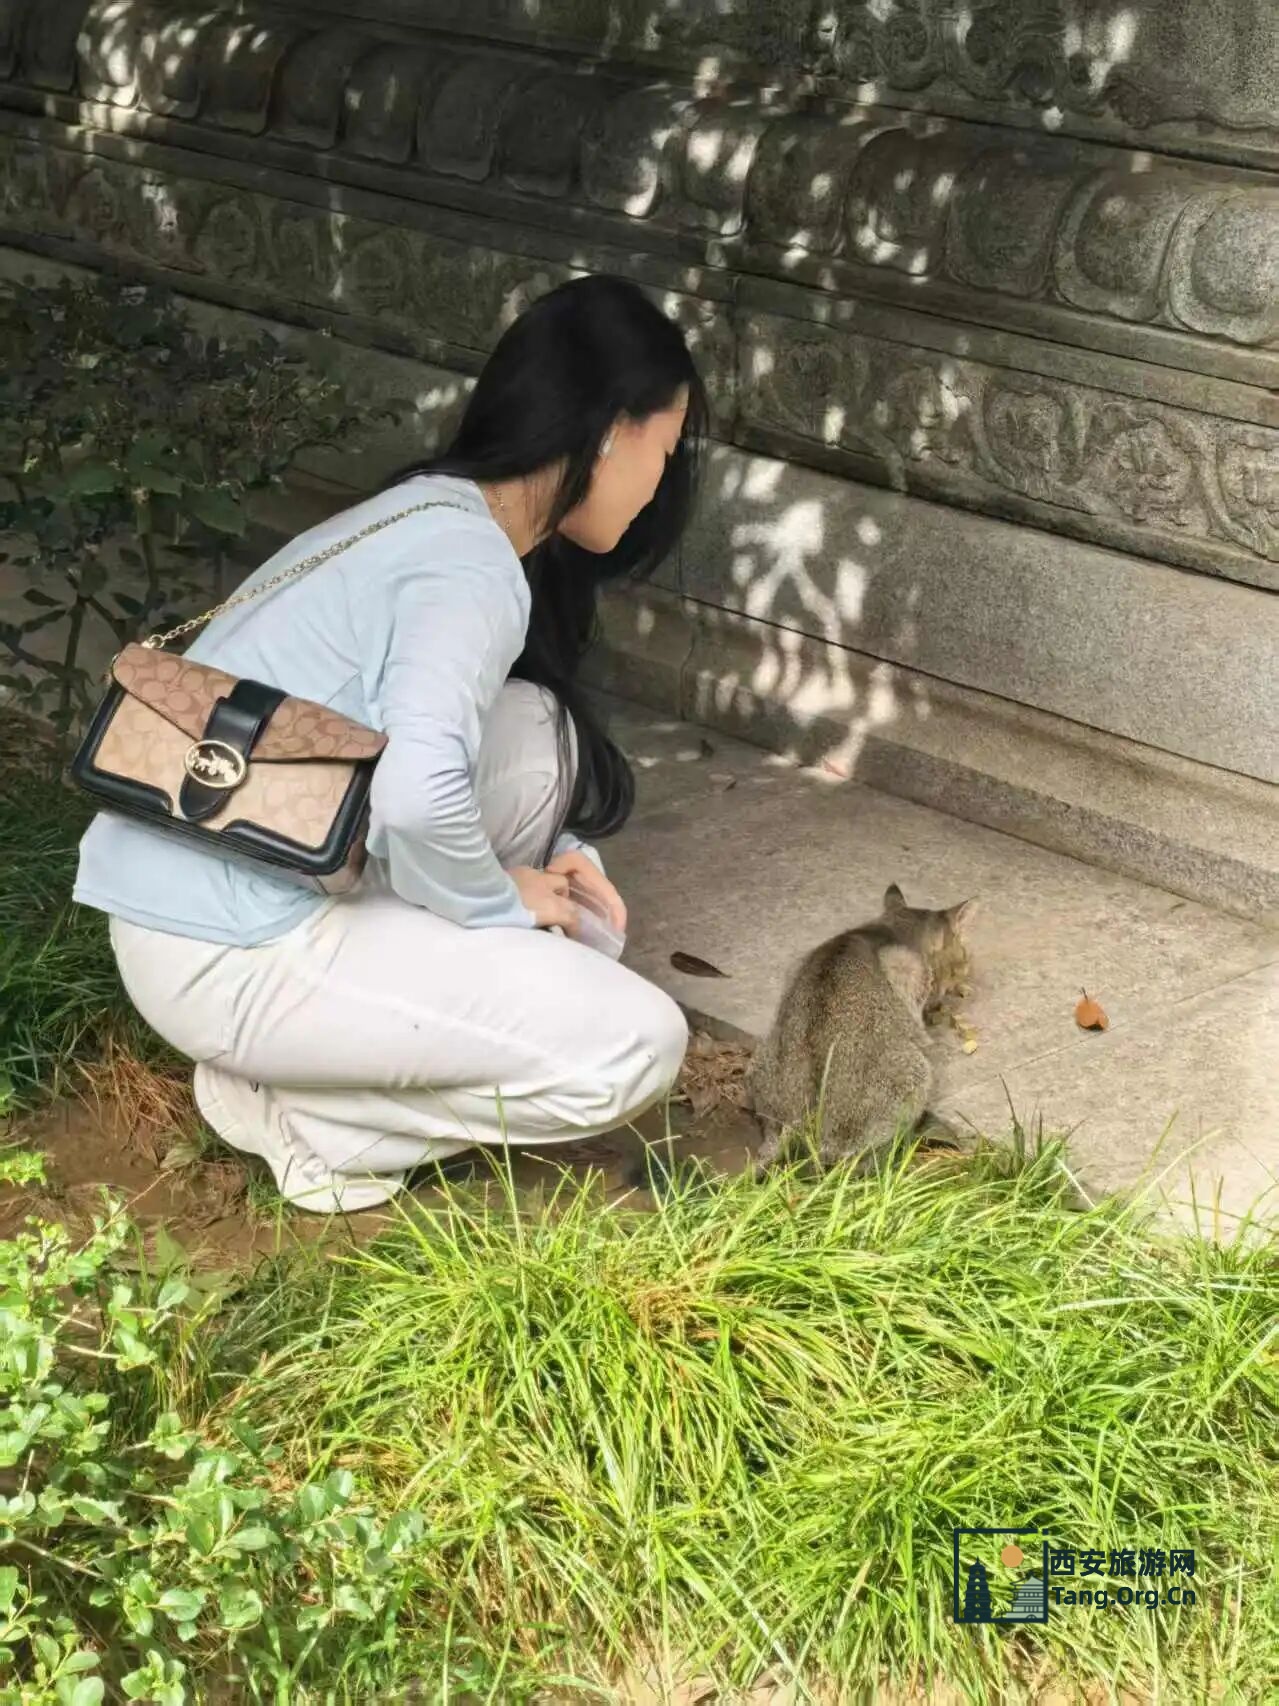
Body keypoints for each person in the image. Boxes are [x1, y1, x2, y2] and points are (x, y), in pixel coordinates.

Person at [73, 274, 709, 1212]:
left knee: (535, 731)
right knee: (637, 1047)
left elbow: (425, 749)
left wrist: (559, 854)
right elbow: (415, 792)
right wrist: (499, 903)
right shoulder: (471, 567)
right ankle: (310, 1125)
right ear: (612, 430)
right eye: (663, 449)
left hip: (213, 871)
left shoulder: (428, 508)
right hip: (225, 951)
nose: (660, 481)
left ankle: (370, 1007)